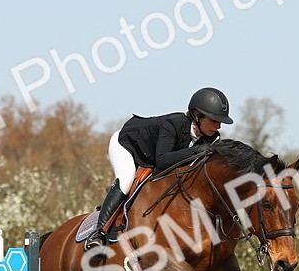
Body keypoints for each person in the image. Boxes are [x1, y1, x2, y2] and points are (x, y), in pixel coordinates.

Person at [83, 86, 233, 249]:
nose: (218, 126)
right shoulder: (174, 124)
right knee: (126, 180)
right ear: (197, 116)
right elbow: (162, 160)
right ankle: (99, 233)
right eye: (214, 120)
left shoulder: (212, 138)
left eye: (220, 122)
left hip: (152, 156)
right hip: (128, 145)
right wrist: (197, 150)